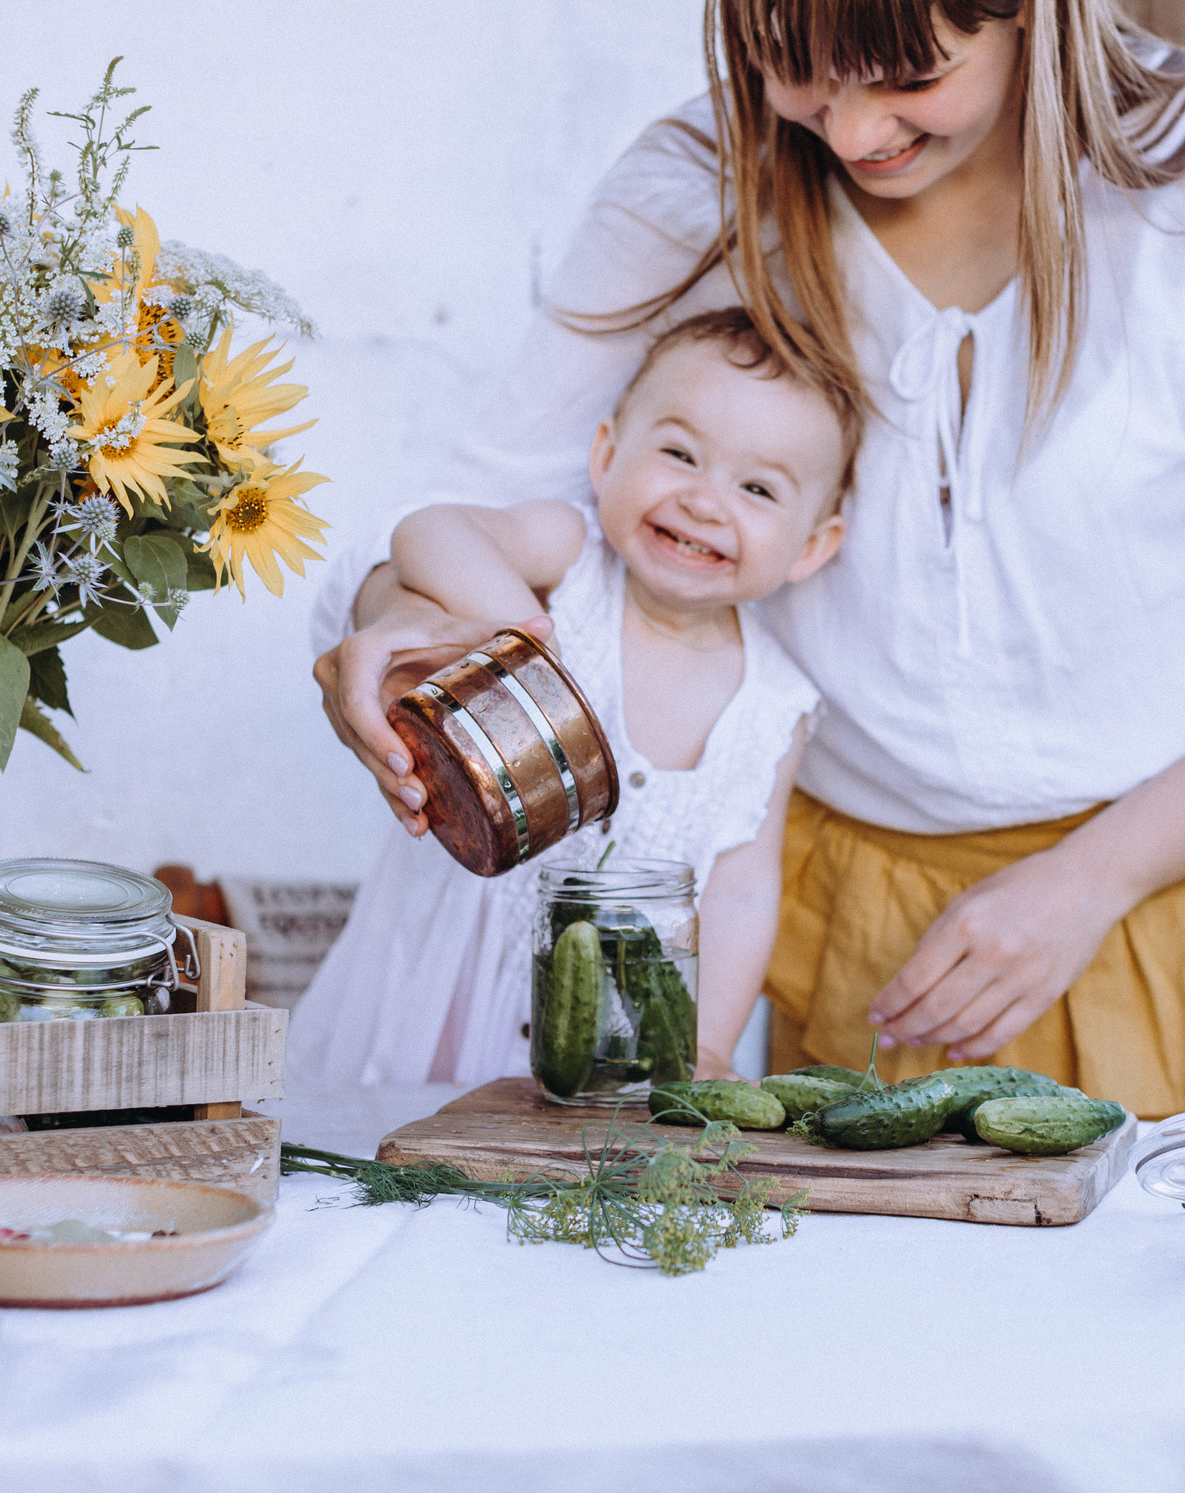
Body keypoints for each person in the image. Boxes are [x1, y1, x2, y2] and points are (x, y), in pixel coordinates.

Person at [313, 0, 1185, 1118]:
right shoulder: (700, 190)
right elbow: (489, 498)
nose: (854, 134)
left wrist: (1086, 881)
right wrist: (390, 624)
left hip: (1183, 923)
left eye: (914, 76)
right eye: (797, 68)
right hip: (852, 948)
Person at [288, 309, 855, 1090]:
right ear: (606, 453)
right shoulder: (568, 559)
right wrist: (520, 641)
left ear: (814, 545)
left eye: (757, 487)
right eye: (680, 453)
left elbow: (744, 893)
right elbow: (430, 530)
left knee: (558, 1197)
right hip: (432, 992)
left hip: (604, 1046)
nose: (703, 499)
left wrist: (710, 1044)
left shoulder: (775, 703)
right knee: (386, 1164)